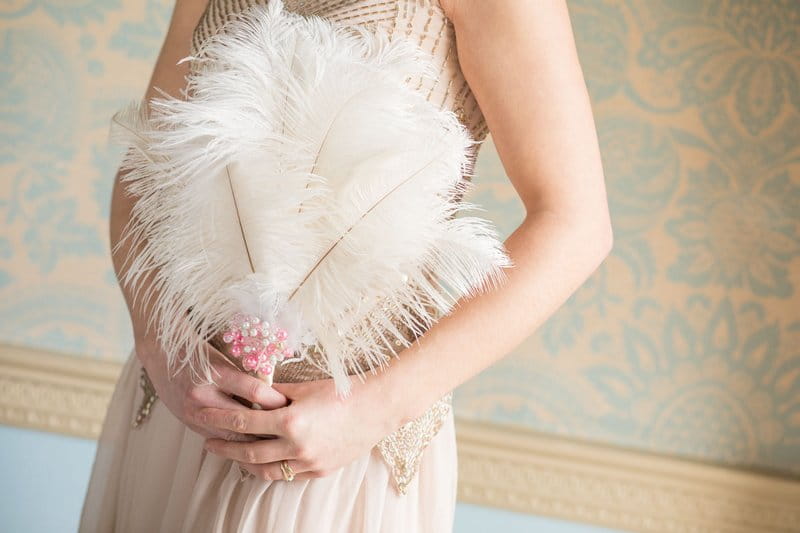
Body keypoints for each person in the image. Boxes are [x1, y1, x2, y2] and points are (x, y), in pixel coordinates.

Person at [79, 0, 613, 531]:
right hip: (181, 397)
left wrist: (369, 412)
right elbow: (145, 159)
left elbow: (575, 223)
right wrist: (159, 345)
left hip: (336, 439)